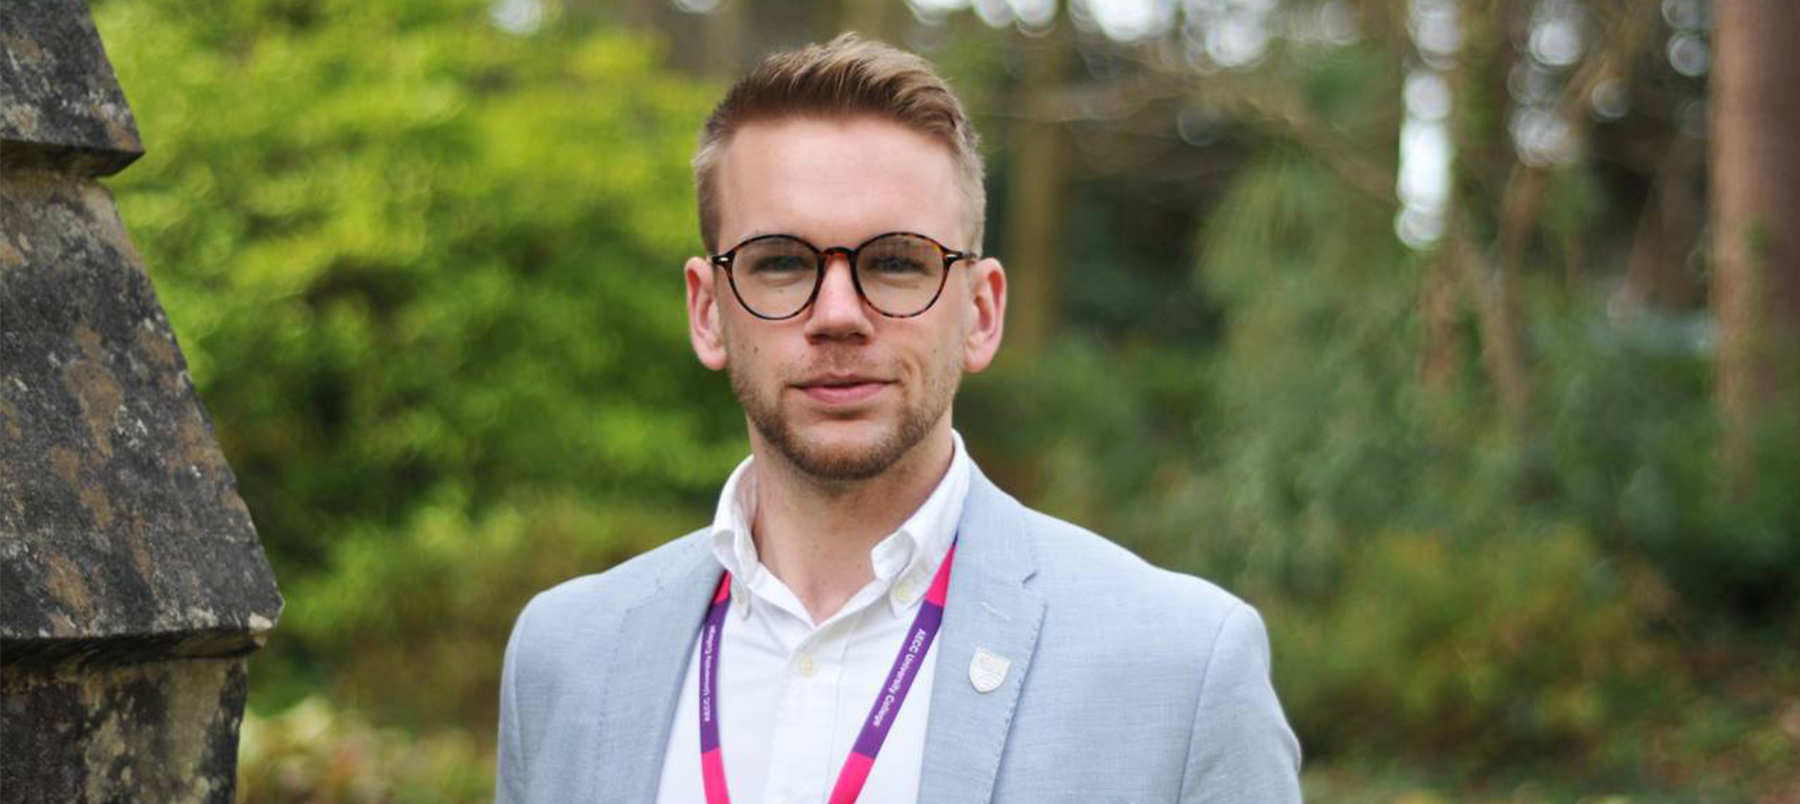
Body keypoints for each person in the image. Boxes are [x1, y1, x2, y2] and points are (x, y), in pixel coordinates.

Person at [495, 33, 1302, 804]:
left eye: (894, 262)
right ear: (707, 313)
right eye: (781, 262)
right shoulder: (565, 660)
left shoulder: (1182, 670)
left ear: (982, 313)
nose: (838, 314)